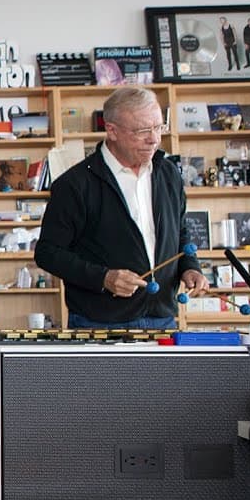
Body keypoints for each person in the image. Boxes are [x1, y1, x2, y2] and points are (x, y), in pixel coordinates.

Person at [34, 87, 209, 329]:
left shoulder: (169, 173)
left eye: (159, 127)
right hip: (98, 322)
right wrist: (104, 278)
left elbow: (179, 232)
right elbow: (47, 253)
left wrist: (190, 268)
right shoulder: (74, 184)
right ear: (111, 131)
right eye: (142, 131)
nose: (154, 139)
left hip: (163, 318)